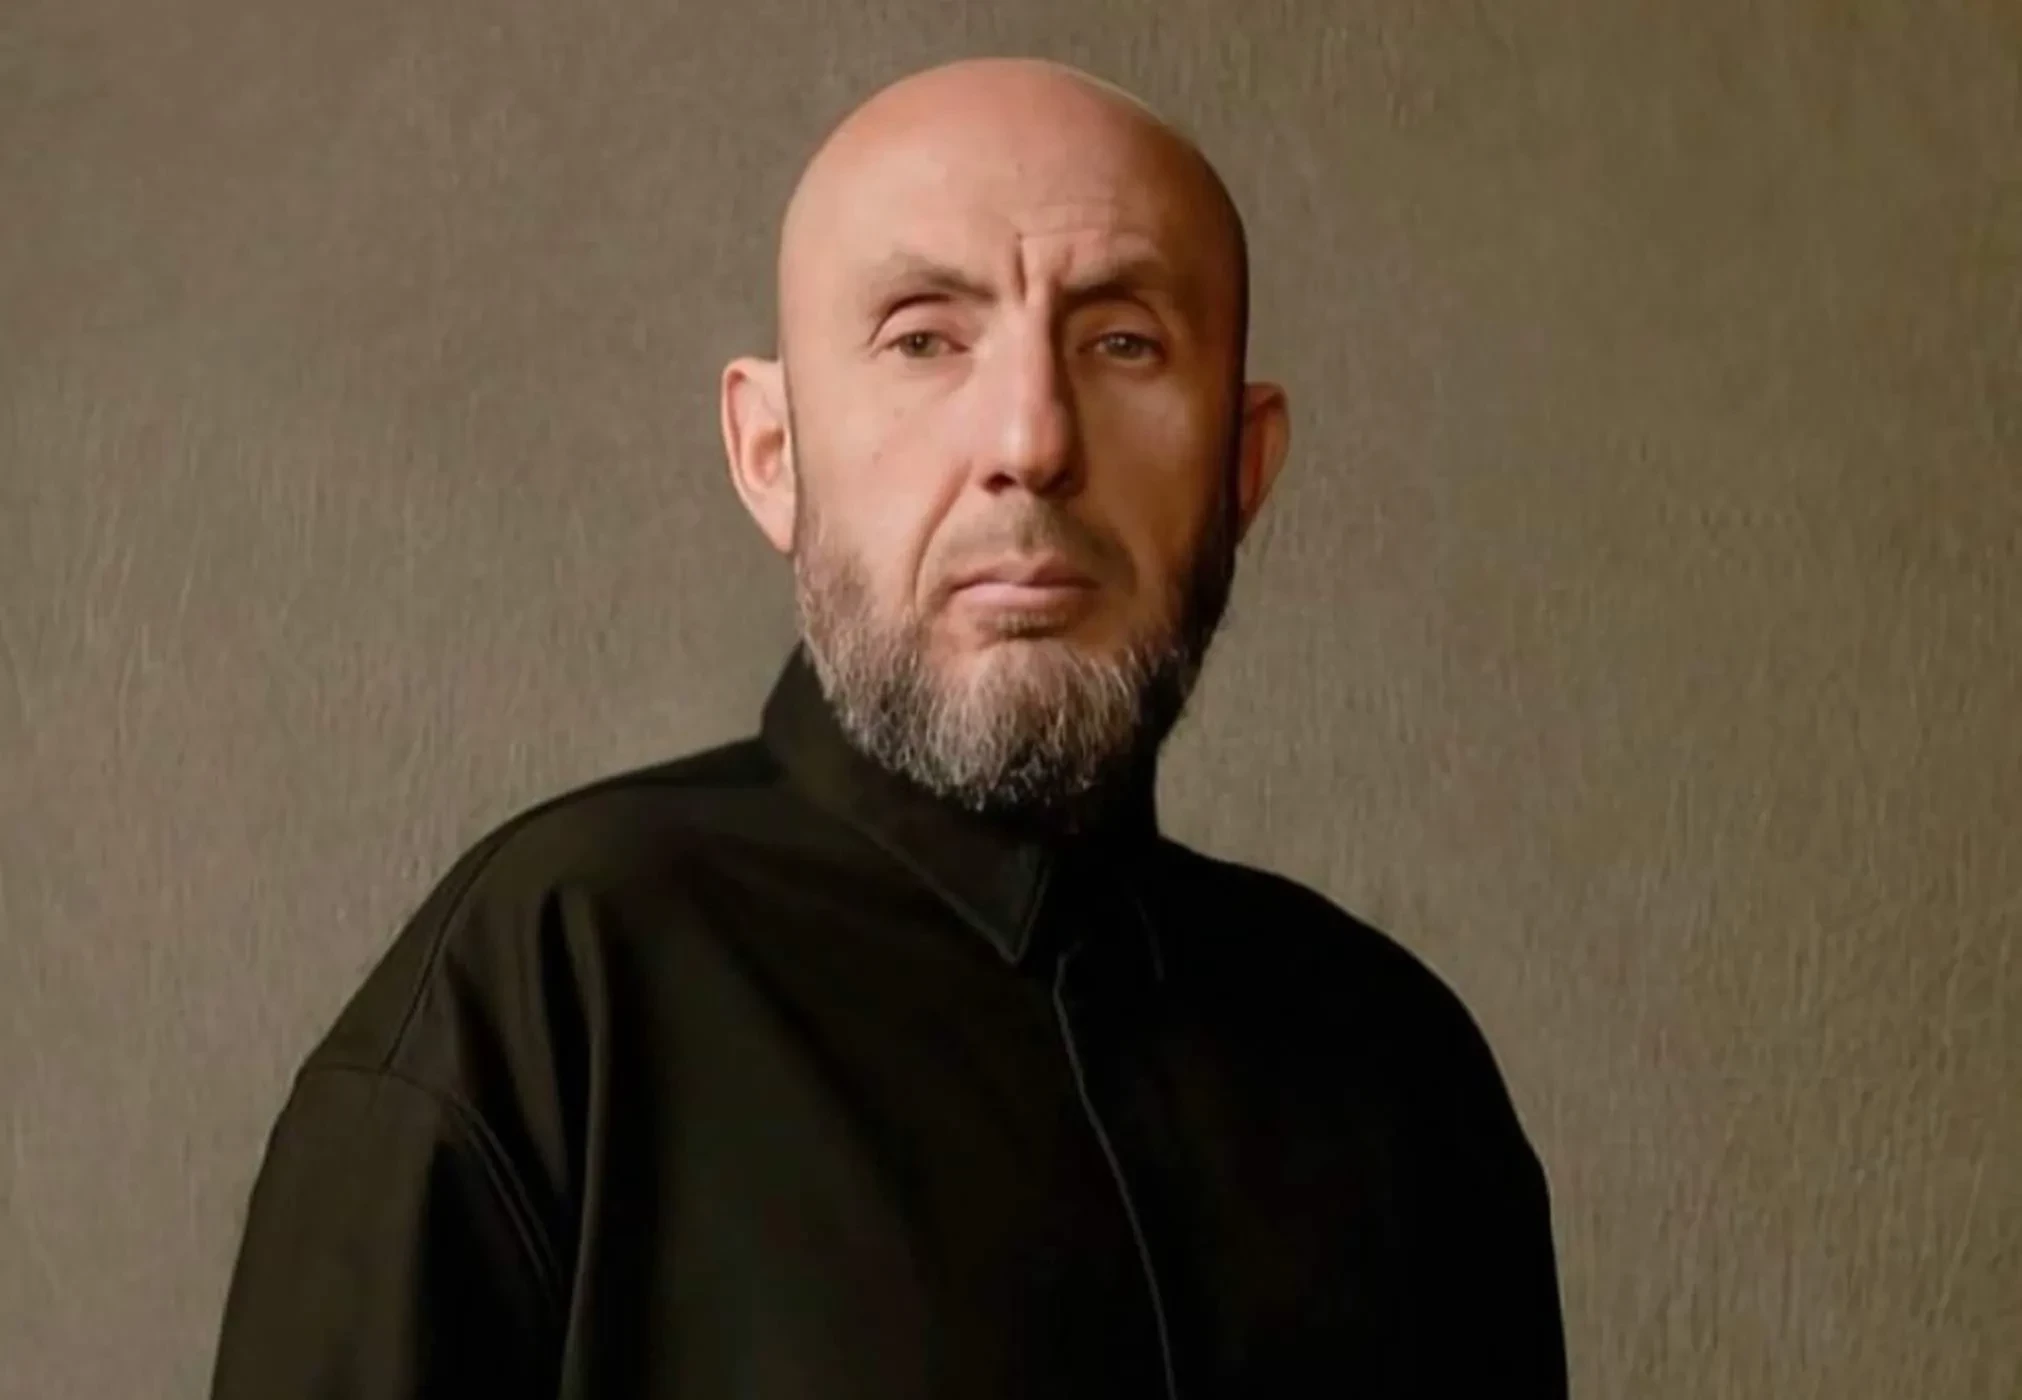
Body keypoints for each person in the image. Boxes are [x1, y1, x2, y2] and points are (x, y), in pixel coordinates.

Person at [209, 55, 1568, 1400]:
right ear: (771, 453)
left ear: (1242, 464)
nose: (1032, 440)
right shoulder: (546, 986)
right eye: (924, 339)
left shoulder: (1399, 1069)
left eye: (1123, 343)